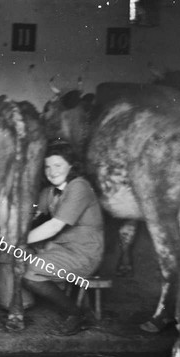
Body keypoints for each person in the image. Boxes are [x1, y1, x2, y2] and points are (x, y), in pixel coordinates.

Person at [22, 139, 104, 336]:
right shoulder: (49, 191)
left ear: (72, 166)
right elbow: (33, 214)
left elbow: (53, 226)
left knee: (30, 271)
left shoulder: (79, 187)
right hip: (58, 249)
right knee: (20, 259)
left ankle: (76, 313)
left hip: (83, 253)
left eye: (58, 165)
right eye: (47, 166)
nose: (52, 171)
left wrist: (18, 240)